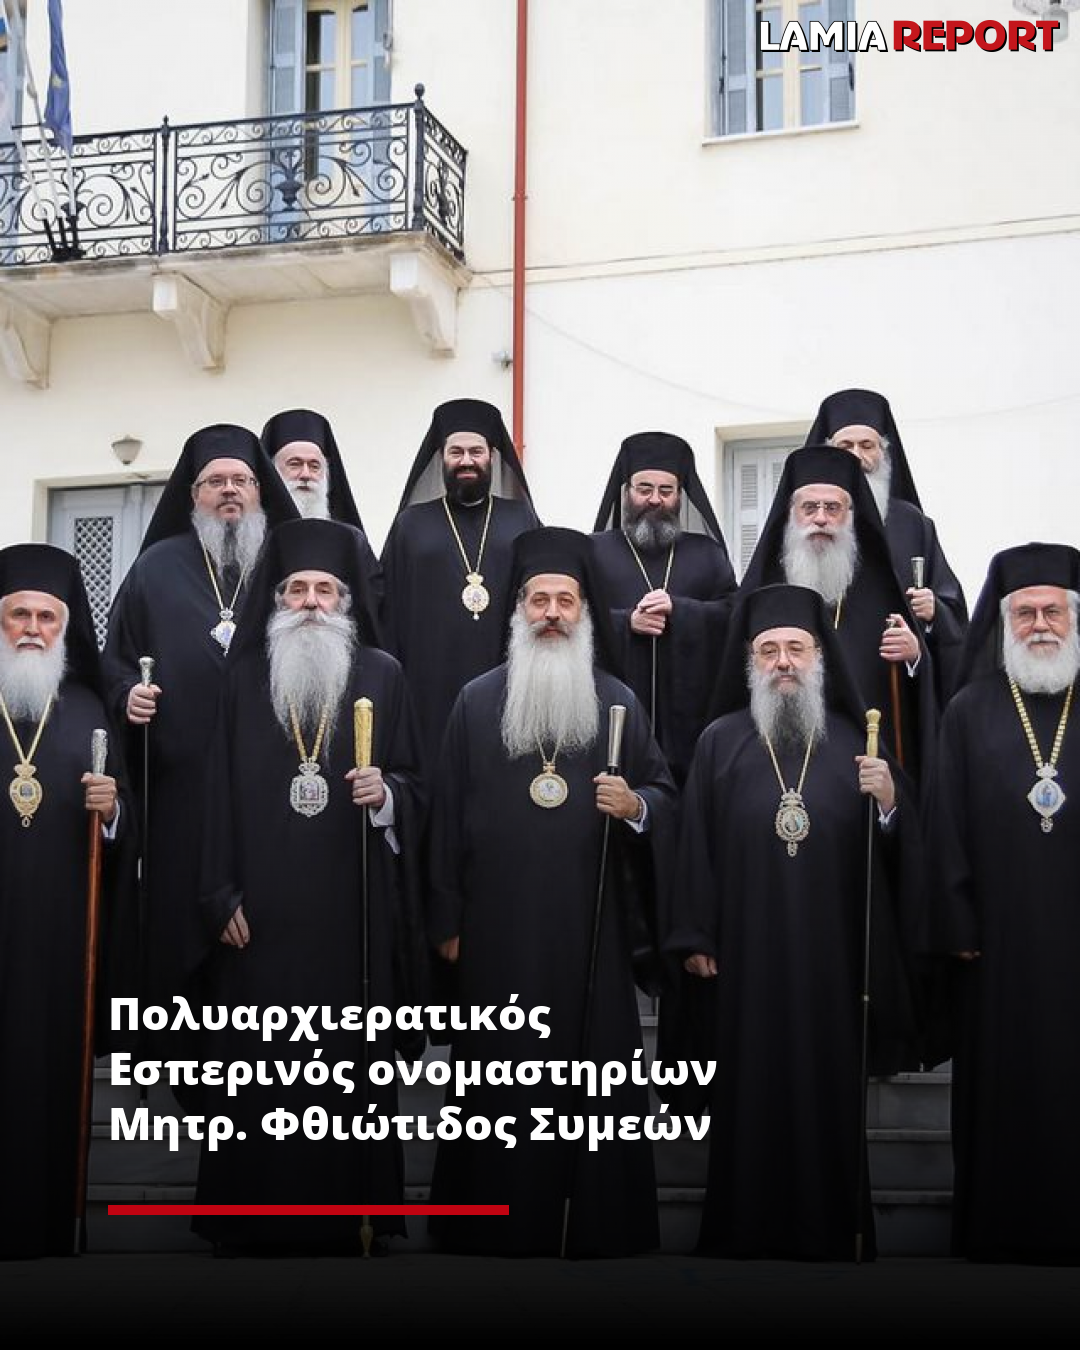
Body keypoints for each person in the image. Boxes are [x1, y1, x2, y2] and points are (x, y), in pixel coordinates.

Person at [425, 526, 678, 1257]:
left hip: (590, 932)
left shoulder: (616, 701)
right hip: (495, 934)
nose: (552, 614)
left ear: (585, 614)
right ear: (518, 611)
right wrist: (447, 920)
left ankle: (599, 1223)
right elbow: (446, 817)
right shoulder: (476, 702)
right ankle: (492, 1224)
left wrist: (636, 806)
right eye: (539, 601)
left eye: (566, 601)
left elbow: (665, 794)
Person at [665, 583, 922, 1261]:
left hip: (833, 956)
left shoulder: (858, 740)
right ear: (751, 662)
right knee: (747, 1092)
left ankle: (830, 1228)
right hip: (745, 955)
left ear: (819, 659)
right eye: (769, 650)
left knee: (826, 1091)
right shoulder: (720, 742)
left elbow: (902, 853)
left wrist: (890, 803)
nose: (783, 662)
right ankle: (743, 1228)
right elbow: (694, 845)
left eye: (796, 649)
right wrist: (695, 933)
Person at [191, 517, 427, 1256]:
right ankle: (253, 1219)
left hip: (350, 913)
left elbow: (416, 782)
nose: (312, 603)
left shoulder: (382, 674)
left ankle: (347, 1214)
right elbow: (215, 791)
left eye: (326, 590)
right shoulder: (244, 676)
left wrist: (386, 794)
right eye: (297, 589)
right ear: (277, 599)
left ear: (346, 602)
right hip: (259, 915)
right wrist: (218, 891)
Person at [101, 424, 297, 1073]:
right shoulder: (155, 568)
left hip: (268, 797)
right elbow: (114, 660)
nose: (229, 491)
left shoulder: (288, 568)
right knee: (180, 936)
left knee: (263, 935)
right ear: (193, 495)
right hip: (179, 795)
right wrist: (128, 695)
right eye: (215, 481)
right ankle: (185, 1075)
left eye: (241, 480)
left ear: (260, 490)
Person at [925, 541, 1080, 1265]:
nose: (1039, 624)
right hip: (997, 945)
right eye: (1025, 613)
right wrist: (955, 919)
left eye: (1052, 611)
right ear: (1004, 621)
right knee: (1001, 1085)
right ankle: (999, 1228)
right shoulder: (968, 709)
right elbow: (944, 823)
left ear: (1074, 619)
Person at [0, 543, 134, 1258]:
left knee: (49, 1074)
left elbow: (126, 826)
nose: (32, 629)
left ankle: (48, 1224)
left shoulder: (89, 709)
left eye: (46, 617)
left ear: (65, 625)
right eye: (18, 615)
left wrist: (111, 810)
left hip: (60, 932)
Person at [738, 442, 938, 785]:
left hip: (864, 761)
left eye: (833, 508)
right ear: (791, 514)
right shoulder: (765, 582)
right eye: (810, 507)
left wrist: (915, 657)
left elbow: (925, 692)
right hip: (779, 759)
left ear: (851, 515)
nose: (821, 518)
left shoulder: (882, 587)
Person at [379, 398, 540, 766]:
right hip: (427, 684)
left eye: (475, 452)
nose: (466, 460)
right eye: (456, 452)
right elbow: (387, 607)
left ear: (492, 456)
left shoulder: (520, 518)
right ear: (441, 457)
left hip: (505, 678)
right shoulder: (411, 523)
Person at [589, 430, 737, 786]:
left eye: (666, 490)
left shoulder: (707, 553)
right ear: (626, 492)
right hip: (611, 718)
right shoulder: (593, 551)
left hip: (690, 725)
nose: (655, 499)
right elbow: (574, 617)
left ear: (680, 496)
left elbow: (735, 616)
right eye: (644, 489)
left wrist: (681, 611)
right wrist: (627, 622)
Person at [806, 387, 968, 701]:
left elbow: (954, 615)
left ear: (884, 453)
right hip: (822, 690)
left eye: (867, 445)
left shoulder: (912, 524)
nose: (856, 456)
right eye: (845, 446)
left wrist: (934, 612)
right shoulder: (802, 526)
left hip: (894, 691)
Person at [260, 406, 385, 630]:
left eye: (314, 466)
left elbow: (371, 607)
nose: (305, 475)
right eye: (294, 464)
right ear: (272, 472)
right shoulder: (251, 535)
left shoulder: (350, 539)